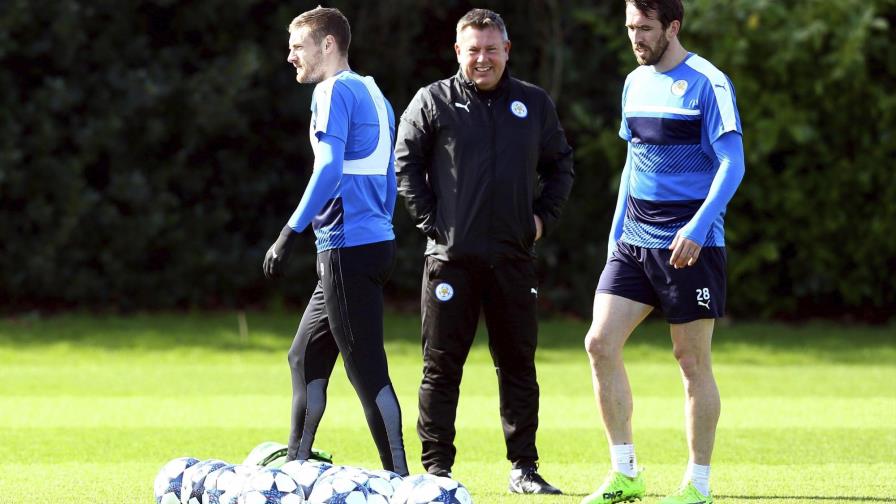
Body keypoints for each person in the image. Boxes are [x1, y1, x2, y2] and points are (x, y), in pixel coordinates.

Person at [395, 8, 574, 495]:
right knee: (441, 366)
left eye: (491, 49)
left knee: (518, 364)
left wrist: (540, 221)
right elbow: (405, 166)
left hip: (514, 260)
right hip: (451, 262)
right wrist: (435, 224)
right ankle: (436, 472)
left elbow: (561, 167)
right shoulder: (433, 101)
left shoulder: (533, 104)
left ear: (506, 50)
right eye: (473, 50)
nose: (482, 59)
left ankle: (524, 469)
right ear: (458, 51)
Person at [581, 1, 745, 503]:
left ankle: (697, 486)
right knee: (599, 344)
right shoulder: (634, 82)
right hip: (633, 242)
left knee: (690, 361)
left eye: (645, 29)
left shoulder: (708, 82)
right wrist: (615, 234)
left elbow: (732, 163)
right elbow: (633, 164)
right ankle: (626, 473)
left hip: (690, 247)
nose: (636, 38)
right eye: (631, 27)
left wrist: (698, 227)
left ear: (672, 27)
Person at [262, 6, 408, 476]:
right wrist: (380, 227)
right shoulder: (374, 91)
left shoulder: (331, 91)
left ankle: (402, 483)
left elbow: (327, 168)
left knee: (366, 371)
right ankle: (296, 467)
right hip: (370, 244)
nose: (290, 57)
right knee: (303, 355)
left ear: (328, 45)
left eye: (297, 46)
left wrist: (290, 230)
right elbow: (390, 174)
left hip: (346, 247)